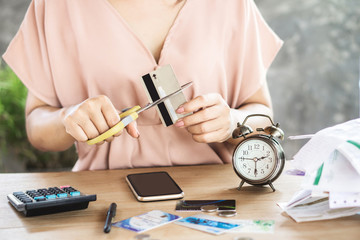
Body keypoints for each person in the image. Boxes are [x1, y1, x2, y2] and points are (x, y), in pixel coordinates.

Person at [2, 0, 283, 171]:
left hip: (214, 195)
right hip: (105, 196)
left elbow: (264, 118)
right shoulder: (54, 6)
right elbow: (36, 128)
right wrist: (69, 119)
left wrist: (231, 121)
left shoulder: (231, 4)